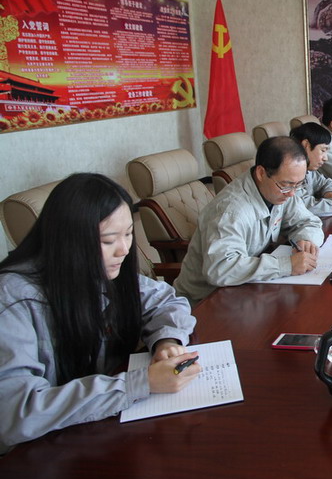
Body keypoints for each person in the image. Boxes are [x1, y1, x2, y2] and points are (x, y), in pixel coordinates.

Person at [0, 173, 199, 454]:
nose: (124, 250)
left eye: (128, 233)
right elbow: (16, 413)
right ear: (69, 240)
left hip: (96, 429)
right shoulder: (13, 298)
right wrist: (138, 384)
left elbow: (166, 300)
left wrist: (167, 340)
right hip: (36, 454)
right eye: (108, 240)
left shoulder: (102, 271)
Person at [174, 136, 324, 304]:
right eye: (286, 185)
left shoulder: (281, 190)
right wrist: (286, 265)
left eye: (299, 184)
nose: (292, 193)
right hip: (206, 301)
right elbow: (220, 269)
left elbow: (308, 221)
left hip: (247, 288)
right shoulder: (230, 211)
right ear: (261, 173)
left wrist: (306, 239)